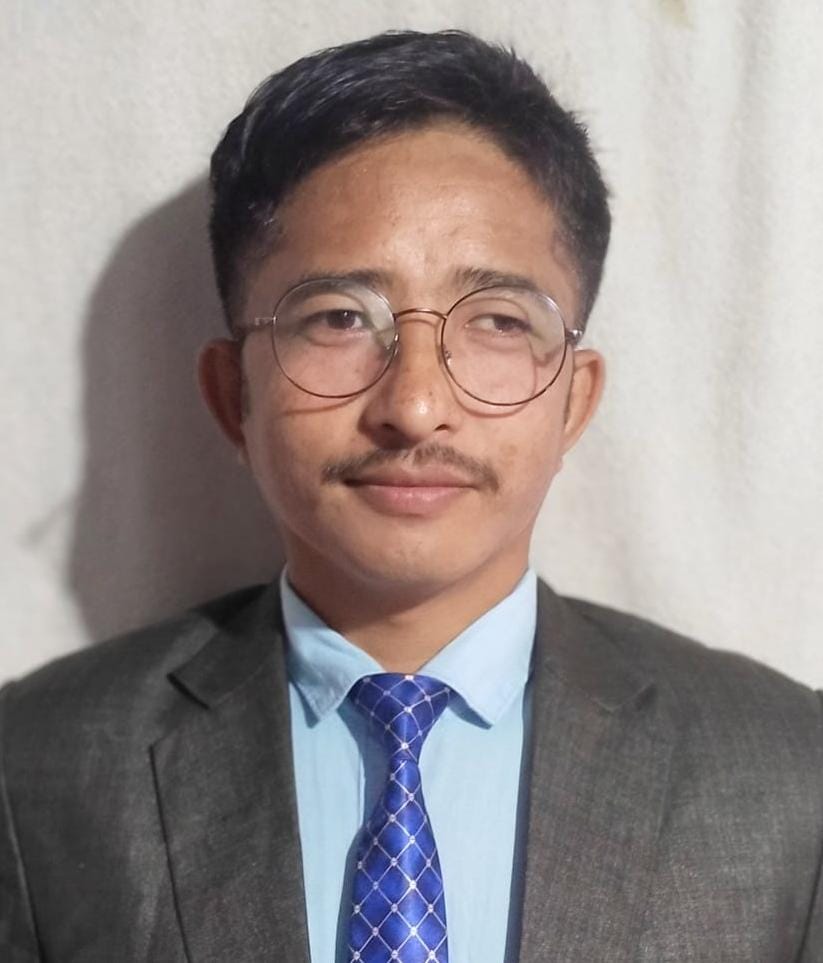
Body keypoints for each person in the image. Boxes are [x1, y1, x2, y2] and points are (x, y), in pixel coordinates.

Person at [1, 29, 821, 963]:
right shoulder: (37, 769)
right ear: (234, 397)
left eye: (498, 320)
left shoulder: (788, 777)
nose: (416, 405)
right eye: (339, 317)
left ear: (573, 401)